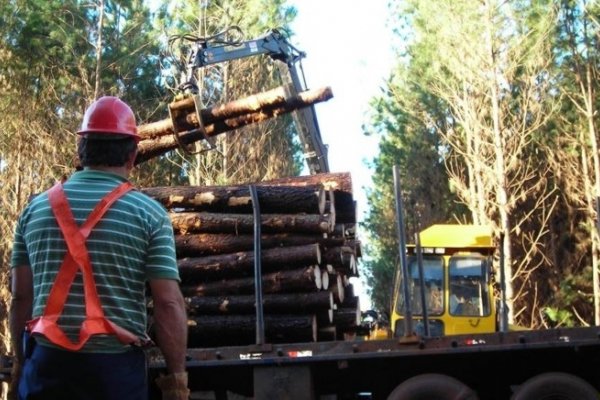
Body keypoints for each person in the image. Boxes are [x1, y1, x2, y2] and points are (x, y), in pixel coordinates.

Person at [9, 96, 189, 400]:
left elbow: (21, 296)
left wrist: (19, 361)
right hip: (114, 372)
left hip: (47, 367)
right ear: (132, 155)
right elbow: (168, 303)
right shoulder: (149, 214)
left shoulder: (34, 210)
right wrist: (177, 378)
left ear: (81, 149)